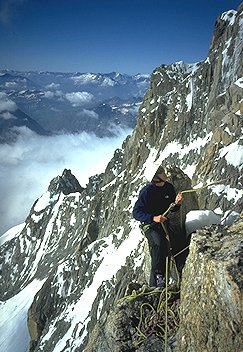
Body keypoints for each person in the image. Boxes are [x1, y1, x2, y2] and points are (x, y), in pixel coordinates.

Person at [132, 164, 183, 288]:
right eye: (160, 171)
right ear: (156, 177)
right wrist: (153, 218)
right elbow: (136, 212)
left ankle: (181, 274)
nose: (164, 172)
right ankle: (157, 279)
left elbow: (173, 208)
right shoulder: (147, 192)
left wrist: (177, 203)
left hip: (164, 222)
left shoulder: (169, 187)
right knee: (158, 244)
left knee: (178, 242)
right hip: (150, 225)